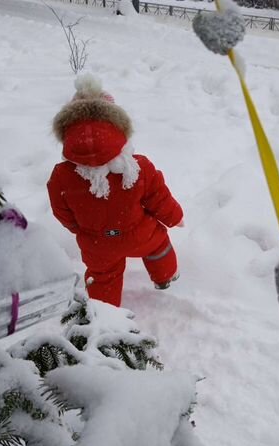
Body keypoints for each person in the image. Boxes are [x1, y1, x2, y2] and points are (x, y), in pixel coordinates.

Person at [47, 74, 183, 307]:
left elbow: (61, 210)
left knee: (102, 275)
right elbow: (158, 198)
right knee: (159, 244)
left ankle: (105, 313)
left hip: (97, 243)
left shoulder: (62, 176)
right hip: (138, 234)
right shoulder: (137, 166)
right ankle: (165, 277)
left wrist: (78, 228)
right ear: (118, 129)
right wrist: (175, 217)